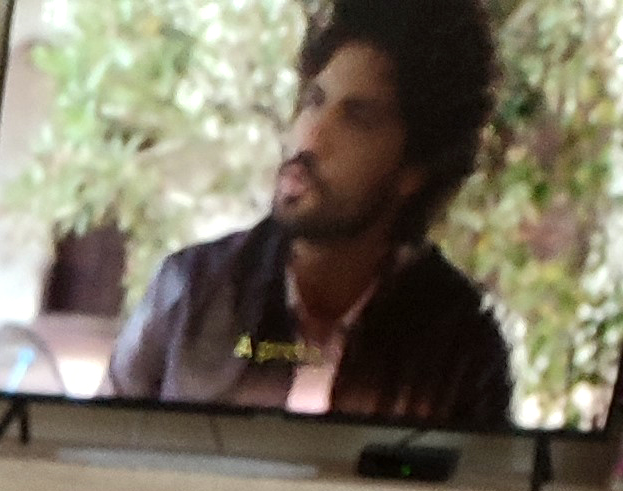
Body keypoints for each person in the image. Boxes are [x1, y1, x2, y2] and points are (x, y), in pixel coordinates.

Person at [105, 0, 513, 426]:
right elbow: (97, 452)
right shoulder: (189, 294)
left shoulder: (461, 349)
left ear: (414, 170)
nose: (310, 138)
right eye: (314, 101)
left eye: (357, 118)